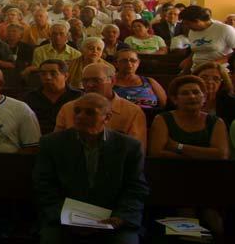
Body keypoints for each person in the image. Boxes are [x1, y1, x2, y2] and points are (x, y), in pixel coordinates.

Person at [34, 93, 148, 244]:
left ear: (107, 117)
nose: (80, 116)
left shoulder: (128, 147)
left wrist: (121, 217)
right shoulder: (52, 143)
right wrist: (64, 216)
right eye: (77, 111)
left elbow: (136, 188)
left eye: (90, 112)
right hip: (63, 217)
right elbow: (43, 184)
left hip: (113, 216)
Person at [148, 75, 229, 239]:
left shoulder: (216, 122)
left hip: (210, 180)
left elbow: (221, 155)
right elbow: (156, 153)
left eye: (196, 92)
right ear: (175, 99)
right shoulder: (163, 119)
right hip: (172, 179)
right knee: (186, 216)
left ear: (204, 97)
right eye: (185, 93)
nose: (192, 96)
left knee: (217, 225)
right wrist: (203, 155)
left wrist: (178, 147)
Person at [56, 63, 147, 149]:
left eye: (96, 80)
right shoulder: (68, 108)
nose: (90, 85)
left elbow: (137, 149)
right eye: (85, 81)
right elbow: (56, 144)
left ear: (112, 81)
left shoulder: (132, 111)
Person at [23, 60, 82, 135]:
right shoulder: (30, 97)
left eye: (53, 73)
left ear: (66, 76)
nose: (47, 77)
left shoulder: (78, 97)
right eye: (43, 74)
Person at [179, 5, 235, 71]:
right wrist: (187, 65)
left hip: (218, 70)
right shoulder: (192, 31)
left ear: (197, 21)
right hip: (197, 69)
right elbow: (197, 50)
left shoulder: (224, 29)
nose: (186, 26)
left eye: (188, 24)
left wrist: (217, 63)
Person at [193, 62, 235, 127]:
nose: (210, 82)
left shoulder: (230, 103)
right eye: (204, 77)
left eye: (216, 79)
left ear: (222, 83)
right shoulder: (184, 98)